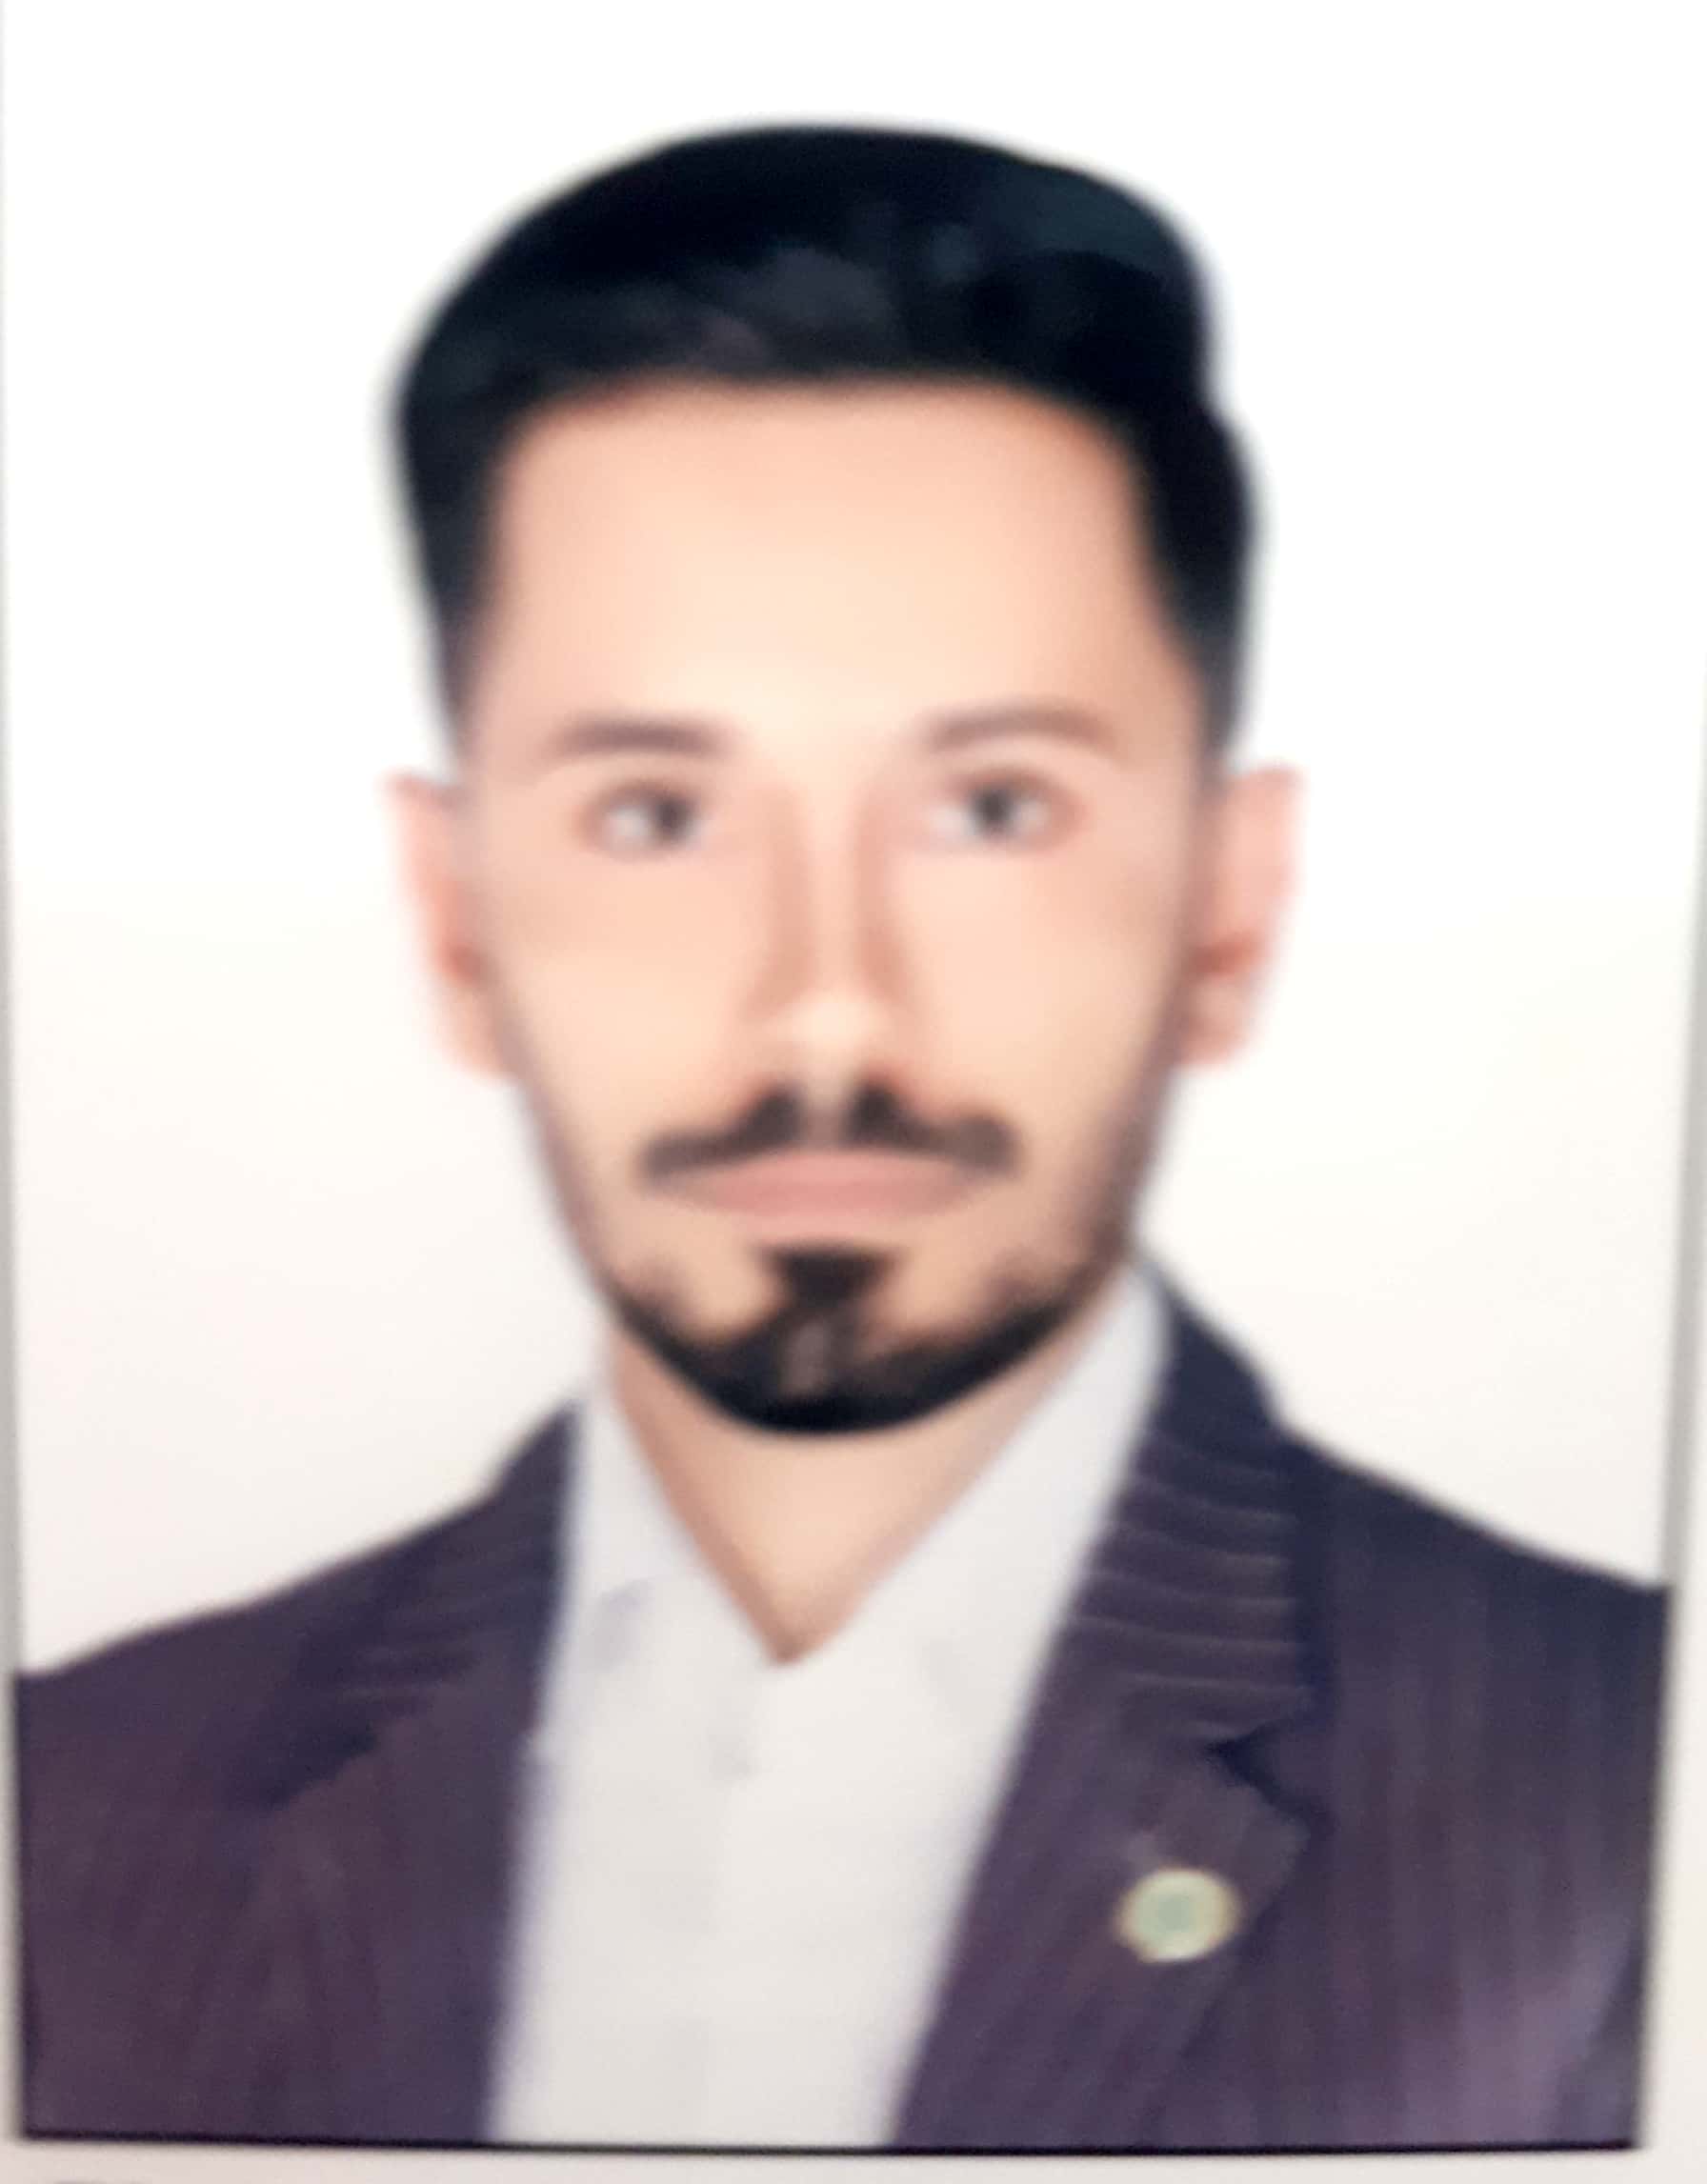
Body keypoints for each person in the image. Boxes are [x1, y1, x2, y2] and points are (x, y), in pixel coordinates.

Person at [15, 123, 1666, 2152]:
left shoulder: (1620, 1807)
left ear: (1228, 910)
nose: (823, 1005)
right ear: (451, 923)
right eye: (654, 817)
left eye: (989, 809)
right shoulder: (73, 1816)